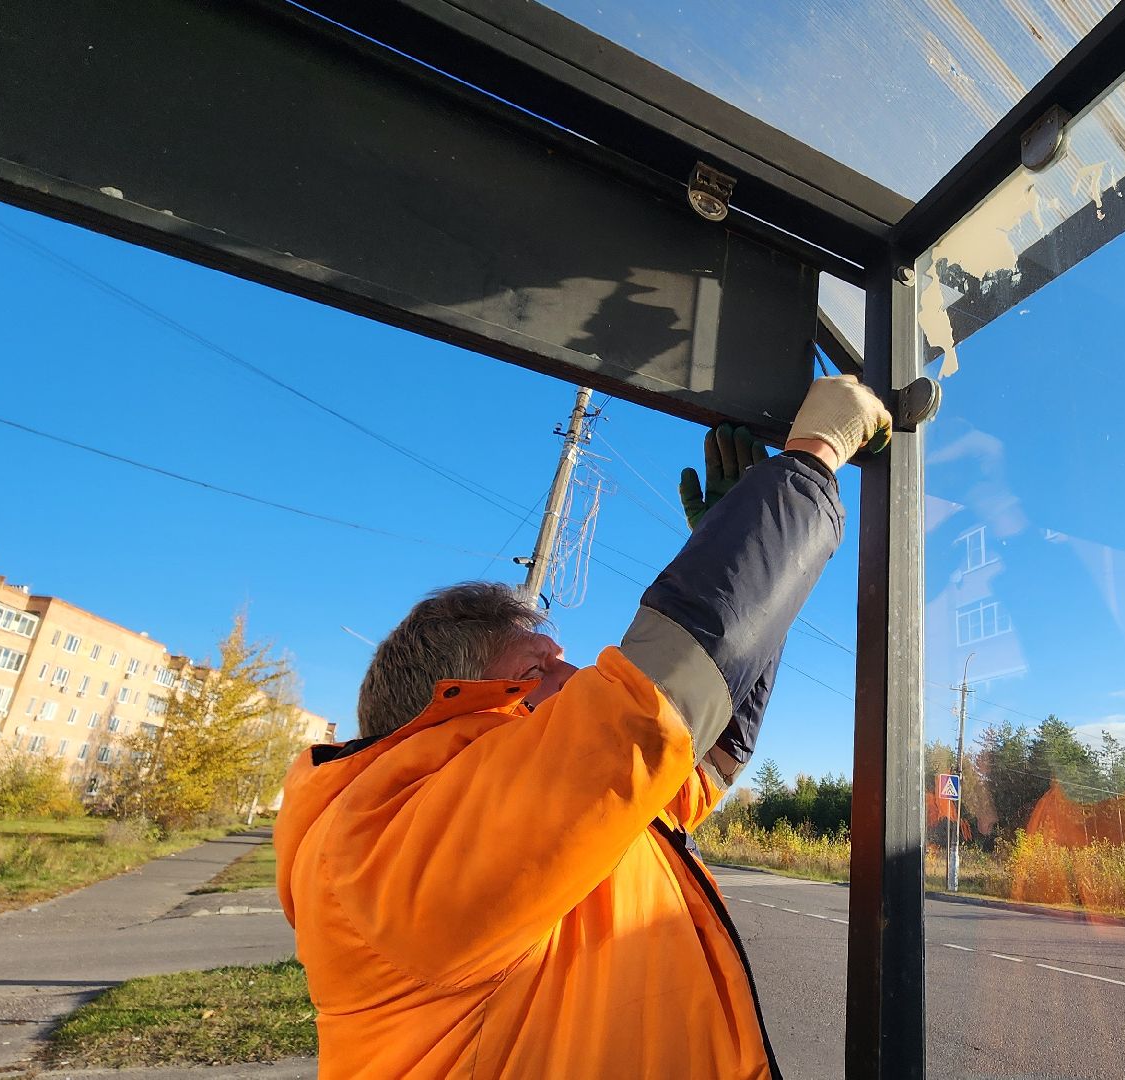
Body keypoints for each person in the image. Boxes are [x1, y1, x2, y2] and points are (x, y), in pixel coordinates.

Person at [275, 376, 891, 1079]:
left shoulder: (526, 841)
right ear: (459, 703)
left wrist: (747, 553)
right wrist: (810, 462)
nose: (575, 682)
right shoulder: (378, 854)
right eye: (542, 668)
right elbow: (646, 714)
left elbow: (704, 753)